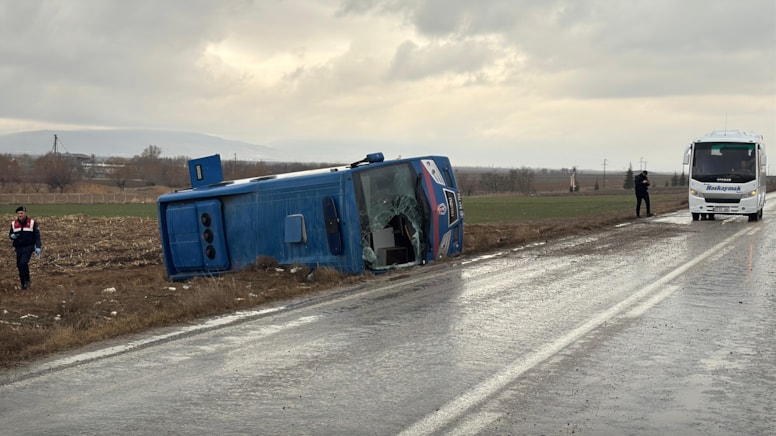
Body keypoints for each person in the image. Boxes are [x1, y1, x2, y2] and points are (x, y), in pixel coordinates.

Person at [9, 205, 42, 290]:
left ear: (25, 213)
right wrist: (12, 236)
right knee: (19, 266)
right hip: (18, 247)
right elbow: (10, 234)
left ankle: (27, 280)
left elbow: (37, 236)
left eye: (22, 213)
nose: (20, 215)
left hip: (29, 246)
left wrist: (38, 246)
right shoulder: (14, 224)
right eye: (19, 213)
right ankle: (23, 284)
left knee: (23, 263)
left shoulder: (32, 223)